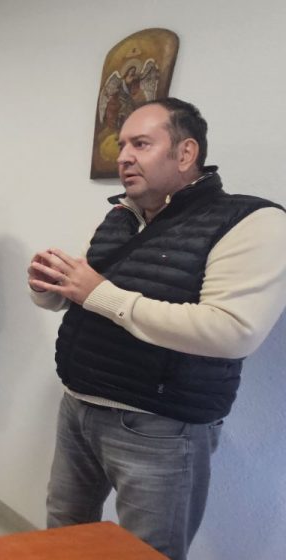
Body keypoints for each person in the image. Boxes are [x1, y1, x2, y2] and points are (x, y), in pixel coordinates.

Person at [29, 98, 286, 559]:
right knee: (62, 537)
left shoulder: (253, 221)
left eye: (141, 144)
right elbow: (85, 293)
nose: (123, 156)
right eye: (122, 144)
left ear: (186, 153)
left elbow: (231, 332)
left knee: (148, 552)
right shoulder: (120, 217)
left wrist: (98, 293)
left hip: (161, 428)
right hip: (78, 406)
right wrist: (48, 288)